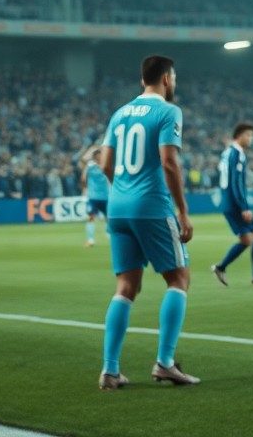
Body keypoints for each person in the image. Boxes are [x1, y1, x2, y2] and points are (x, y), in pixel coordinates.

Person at [97, 55, 198, 390]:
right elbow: (169, 162)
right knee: (179, 278)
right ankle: (165, 363)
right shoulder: (169, 111)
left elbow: (105, 163)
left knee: (126, 287)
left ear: (144, 80)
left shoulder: (119, 113)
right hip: (152, 206)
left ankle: (110, 370)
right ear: (167, 79)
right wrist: (183, 211)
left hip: (118, 207)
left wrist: (123, 188)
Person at [210, 123, 253, 286]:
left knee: (252, 237)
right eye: (249, 135)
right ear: (239, 135)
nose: (251, 139)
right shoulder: (238, 154)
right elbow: (236, 182)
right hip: (235, 204)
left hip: (228, 202)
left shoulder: (227, 152)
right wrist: (244, 207)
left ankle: (222, 268)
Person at [80, 144, 110, 247]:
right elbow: (83, 160)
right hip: (93, 197)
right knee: (90, 217)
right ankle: (90, 240)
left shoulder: (106, 165)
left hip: (106, 196)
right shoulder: (90, 166)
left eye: (100, 154)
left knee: (109, 218)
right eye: (97, 155)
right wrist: (92, 148)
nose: (98, 156)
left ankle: (109, 235)